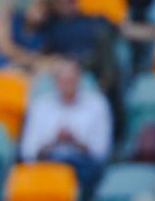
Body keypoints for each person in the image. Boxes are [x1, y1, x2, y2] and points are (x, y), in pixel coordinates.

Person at [20, 59, 112, 199]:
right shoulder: (40, 105)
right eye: (63, 79)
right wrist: (54, 141)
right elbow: (28, 152)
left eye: (71, 79)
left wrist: (74, 141)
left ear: (79, 79)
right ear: (55, 81)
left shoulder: (97, 104)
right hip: (47, 165)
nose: (67, 84)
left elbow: (100, 152)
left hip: (82, 168)